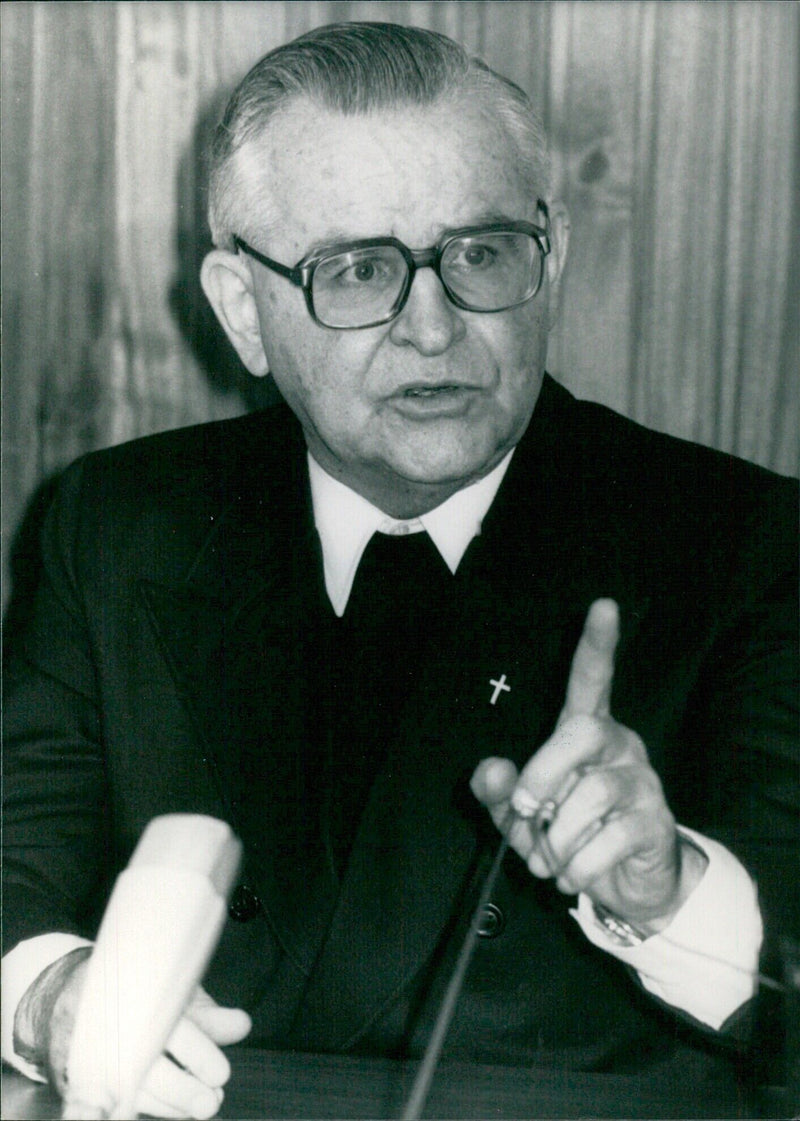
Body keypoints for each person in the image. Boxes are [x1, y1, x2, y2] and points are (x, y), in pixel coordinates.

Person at [2, 21, 797, 1121]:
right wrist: (46, 992)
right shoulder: (117, 522)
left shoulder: (745, 542)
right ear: (242, 309)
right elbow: (12, 868)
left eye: (478, 253)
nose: (432, 328)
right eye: (358, 270)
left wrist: (669, 897)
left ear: (549, 255)